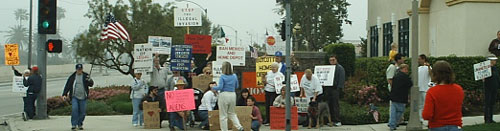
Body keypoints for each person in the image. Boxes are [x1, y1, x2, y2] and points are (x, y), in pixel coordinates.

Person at [423, 61, 464, 130]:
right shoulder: (458, 89)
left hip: (437, 126)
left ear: (435, 74)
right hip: (455, 126)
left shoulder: (432, 92)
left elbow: (427, 115)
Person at [211, 61, 244, 131]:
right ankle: (239, 127)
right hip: (232, 94)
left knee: (223, 115)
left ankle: (224, 130)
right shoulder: (234, 76)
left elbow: (220, 87)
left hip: (224, 95)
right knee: (232, 113)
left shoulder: (222, 76)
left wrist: (213, 87)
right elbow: (237, 86)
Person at [62, 64, 94, 130]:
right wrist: (64, 94)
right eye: (78, 69)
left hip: (83, 97)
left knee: (82, 112)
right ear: (76, 69)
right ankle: (74, 124)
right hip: (74, 96)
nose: (79, 71)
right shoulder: (72, 77)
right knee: (74, 109)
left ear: (82, 69)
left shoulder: (86, 76)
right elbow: (67, 86)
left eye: (80, 69)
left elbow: (91, 85)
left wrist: (89, 80)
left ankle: (80, 124)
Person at [388, 64, 412, 131]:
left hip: (393, 96)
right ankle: (393, 123)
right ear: (404, 69)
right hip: (401, 97)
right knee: (399, 111)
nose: (407, 71)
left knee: (393, 112)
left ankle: (391, 124)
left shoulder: (396, 76)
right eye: (407, 69)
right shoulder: (405, 77)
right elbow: (410, 84)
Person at [323, 55, 345, 126]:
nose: (332, 61)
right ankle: (331, 120)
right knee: (329, 105)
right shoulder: (329, 68)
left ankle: (337, 120)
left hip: (335, 89)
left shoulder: (340, 68)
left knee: (335, 105)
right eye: (330, 60)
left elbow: (341, 79)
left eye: (333, 60)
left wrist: (339, 88)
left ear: (336, 60)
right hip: (328, 89)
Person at [150, 54, 169, 121]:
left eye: (157, 60)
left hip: (162, 90)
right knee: (154, 105)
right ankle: (153, 120)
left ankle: (160, 120)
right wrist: (155, 56)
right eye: (155, 60)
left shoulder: (163, 69)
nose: (156, 62)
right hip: (154, 90)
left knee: (162, 105)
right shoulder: (152, 70)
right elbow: (150, 64)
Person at [484, 55, 499, 123]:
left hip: (494, 88)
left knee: (492, 103)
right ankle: (487, 119)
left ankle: (491, 118)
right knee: (487, 103)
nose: (495, 62)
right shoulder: (486, 69)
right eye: (494, 60)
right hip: (488, 88)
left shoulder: (495, 69)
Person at [418, 54, 432, 122]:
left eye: (420, 59)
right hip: (419, 89)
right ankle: (420, 118)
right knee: (420, 105)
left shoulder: (428, 68)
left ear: (423, 59)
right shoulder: (418, 68)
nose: (418, 60)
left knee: (425, 104)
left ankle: (425, 118)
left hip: (425, 89)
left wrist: (429, 67)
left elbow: (431, 74)